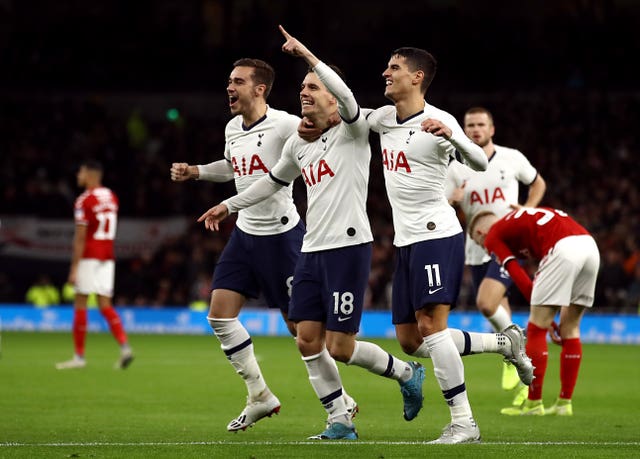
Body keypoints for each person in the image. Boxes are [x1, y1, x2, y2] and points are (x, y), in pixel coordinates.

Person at [198, 26, 426, 440]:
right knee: (306, 339)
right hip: (310, 248)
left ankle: (407, 372)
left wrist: (307, 55)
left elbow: (349, 98)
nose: (304, 92)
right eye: (302, 87)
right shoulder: (300, 145)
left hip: (348, 248)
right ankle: (339, 420)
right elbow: (271, 181)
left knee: (340, 346)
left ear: (334, 98)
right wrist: (227, 205)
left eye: (313, 88)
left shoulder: (354, 131)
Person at [170, 57, 357, 432]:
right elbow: (233, 167)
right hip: (245, 235)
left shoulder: (286, 124)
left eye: (237, 81)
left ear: (259, 88)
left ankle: (342, 403)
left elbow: (317, 141)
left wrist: (330, 123)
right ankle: (259, 394)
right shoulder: (231, 127)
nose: (229, 87)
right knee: (220, 315)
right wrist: (197, 173)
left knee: (303, 334)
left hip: (283, 238)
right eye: (229, 80)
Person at [365, 47, 531, 444]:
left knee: (431, 326)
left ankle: (463, 422)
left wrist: (453, 135)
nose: (385, 72)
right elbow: (351, 111)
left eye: (394, 67)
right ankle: (503, 341)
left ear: (417, 77)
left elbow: (479, 162)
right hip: (405, 240)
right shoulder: (385, 118)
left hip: (437, 234)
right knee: (410, 340)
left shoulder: (440, 121)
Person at [445, 106, 546, 404]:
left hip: (509, 243)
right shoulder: (456, 167)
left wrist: (528, 209)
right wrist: (452, 200)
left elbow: (537, 182)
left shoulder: (511, 157)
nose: (475, 129)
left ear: (492, 129)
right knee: (497, 306)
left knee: (486, 303)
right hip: (476, 247)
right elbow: (442, 203)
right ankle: (517, 357)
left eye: (481, 124)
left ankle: (514, 348)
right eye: (470, 125)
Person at [469, 207, 600, 416]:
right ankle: (564, 403)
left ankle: (533, 404)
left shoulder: (493, 235)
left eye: (480, 245)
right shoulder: (518, 219)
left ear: (480, 234)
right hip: (589, 246)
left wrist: (544, 316)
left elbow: (517, 274)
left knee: (536, 328)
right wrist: (549, 316)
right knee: (571, 327)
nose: (486, 251)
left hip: (563, 249)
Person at [56, 160, 133, 370]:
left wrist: (74, 268)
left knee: (80, 304)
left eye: (80, 171)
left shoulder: (83, 201)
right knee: (105, 305)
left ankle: (79, 357)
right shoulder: (111, 196)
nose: (77, 175)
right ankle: (125, 347)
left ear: (90, 174)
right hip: (107, 256)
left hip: (89, 255)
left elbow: (80, 238)